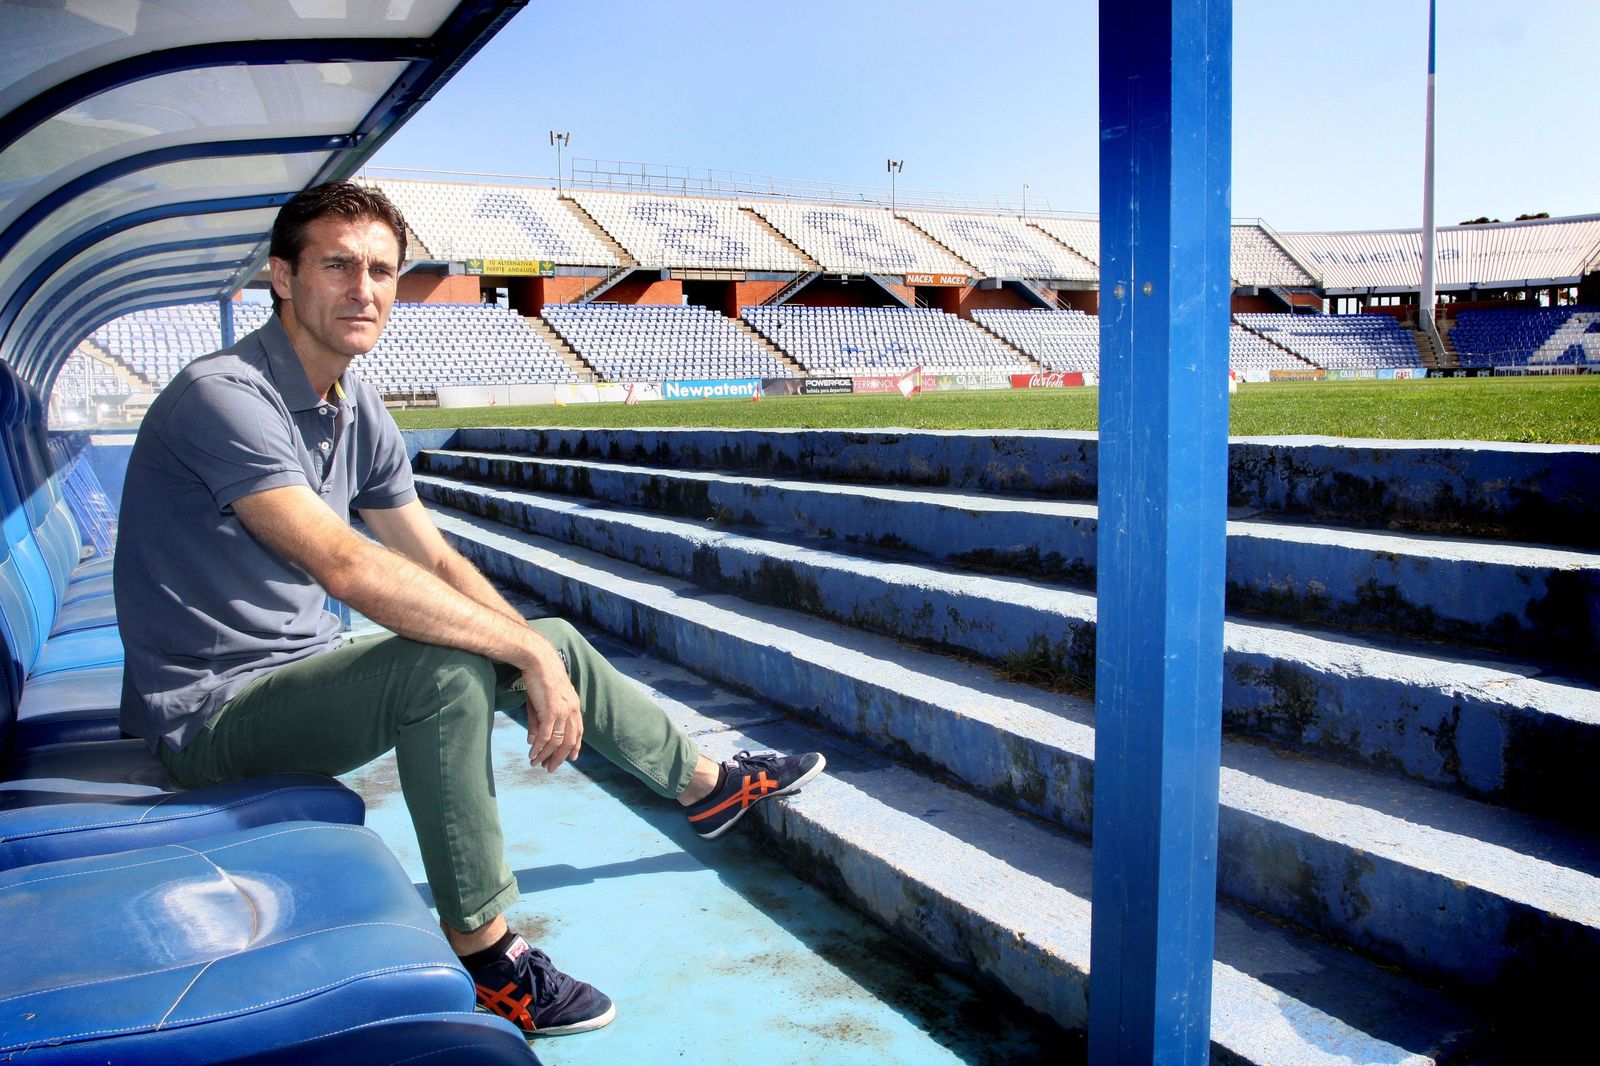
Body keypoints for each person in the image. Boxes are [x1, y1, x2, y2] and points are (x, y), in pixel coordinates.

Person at [113, 181, 825, 1039]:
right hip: (213, 718)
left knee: (547, 636)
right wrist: (517, 660)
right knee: (441, 663)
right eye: (337, 265)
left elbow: (436, 558)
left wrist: (535, 650)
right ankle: (489, 961)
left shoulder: (353, 403)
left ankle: (708, 787)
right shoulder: (224, 394)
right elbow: (344, 562)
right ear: (281, 276)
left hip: (296, 679)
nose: (364, 289)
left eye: (382, 269)